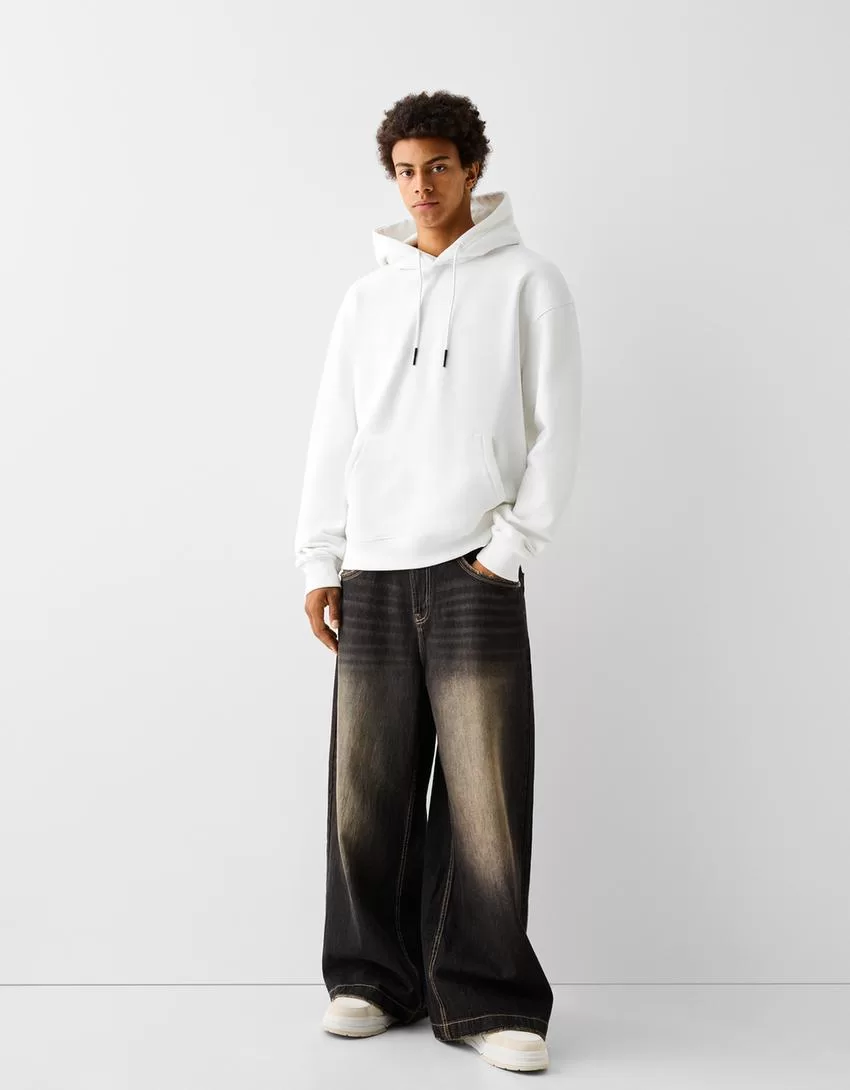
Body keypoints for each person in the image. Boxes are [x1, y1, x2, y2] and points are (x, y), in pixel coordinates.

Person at [293, 90, 582, 1074]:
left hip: (473, 569)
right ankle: (372, 979)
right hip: (373, 568)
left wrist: (508, 550)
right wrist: (319, 557)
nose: (421, 187)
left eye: (439, 168)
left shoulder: (529, 283)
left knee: (483, 799)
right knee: (365, 792)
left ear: (473, 169)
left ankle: (489, 995)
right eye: (406, 172)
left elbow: (558, 430)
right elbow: (333, 432)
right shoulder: (365, 300)